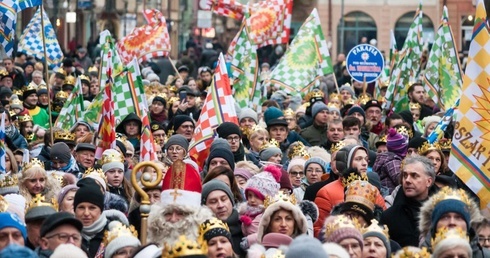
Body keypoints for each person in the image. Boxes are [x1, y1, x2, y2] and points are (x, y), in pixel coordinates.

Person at [379, 156, 437, 247]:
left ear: (429, 182)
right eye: (405, 175)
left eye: (414, 176)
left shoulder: (441, 214)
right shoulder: (390, 216)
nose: (407, 180)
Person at [419, 186, 489, 257]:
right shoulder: (419, 255)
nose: (452, 222)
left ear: (468, 225)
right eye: (445, 217)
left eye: (458, 217)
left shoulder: (485, 256)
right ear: (434, 224)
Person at [201, 180, 245, 256]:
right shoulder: (198, 233)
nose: (220, 205)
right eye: (213, 201)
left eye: (224, 199)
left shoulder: (246, 229)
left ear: (231, 201)